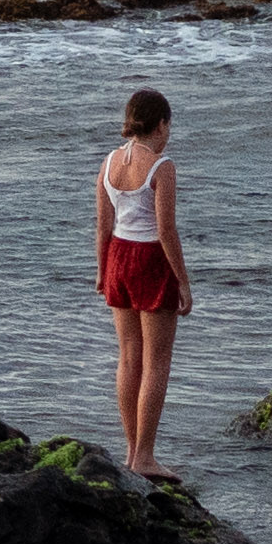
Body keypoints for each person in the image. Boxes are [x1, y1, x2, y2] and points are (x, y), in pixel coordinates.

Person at [92, 87, 191, 480]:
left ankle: (131, 450)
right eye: (169, 126)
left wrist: (102, 270)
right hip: (150, 260)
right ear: (161, 124)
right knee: (157, 362)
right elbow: (167, 230)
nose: (169, 134)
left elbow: (103, 225)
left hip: (118, 256)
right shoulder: (160, 166)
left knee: (129, 356)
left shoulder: (110, 162)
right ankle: (146, 456)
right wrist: (183, 281)